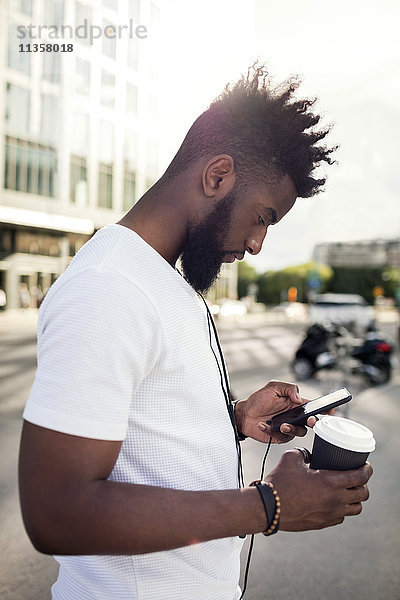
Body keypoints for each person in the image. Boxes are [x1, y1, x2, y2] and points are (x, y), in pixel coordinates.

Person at [19, 66, 372, 600]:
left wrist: (234, 417)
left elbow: (144, 428)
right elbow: (57, 512)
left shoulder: (164, 281)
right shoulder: (109, 286)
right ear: (217, 176)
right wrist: (268, 504)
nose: (257, 244)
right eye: (263, 217)